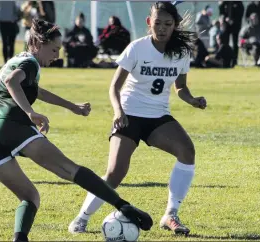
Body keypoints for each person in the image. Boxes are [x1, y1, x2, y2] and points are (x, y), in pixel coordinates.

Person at [0, 19, 153, 242]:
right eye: (54, 49)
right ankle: (124, 206)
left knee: (30, 197)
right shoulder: (30, 63)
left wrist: (71, 106)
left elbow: (36, 90)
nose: (57, 55)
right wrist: (30, 113)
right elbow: (12, 82)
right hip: (9, 124)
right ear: (38, 44)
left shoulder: (19, 60)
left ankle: (19, 239)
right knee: (70, 169)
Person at [69, 1, 207, 236]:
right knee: (115, 172)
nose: (162, 28)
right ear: (148, 23)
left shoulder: (181, 52)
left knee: (187, 151)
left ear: (174, 26)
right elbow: (114, 87)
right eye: (157, 23)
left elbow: (180, 88)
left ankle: (171, 214)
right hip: (129, 115)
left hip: (158, 117)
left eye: (167, 24)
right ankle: (81, 219)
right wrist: (118, 112)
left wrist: (192, 99)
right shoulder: (136, 48)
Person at [218, 1, 244, 67]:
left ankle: (234, 60)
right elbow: (221, 13)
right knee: (225, 43)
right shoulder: (224, 3)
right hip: (226, 25)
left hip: (236, 25)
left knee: (235, 43)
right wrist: (225, 18)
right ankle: (225, 60)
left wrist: (234, 20)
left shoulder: (238, 3)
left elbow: (241, 13)